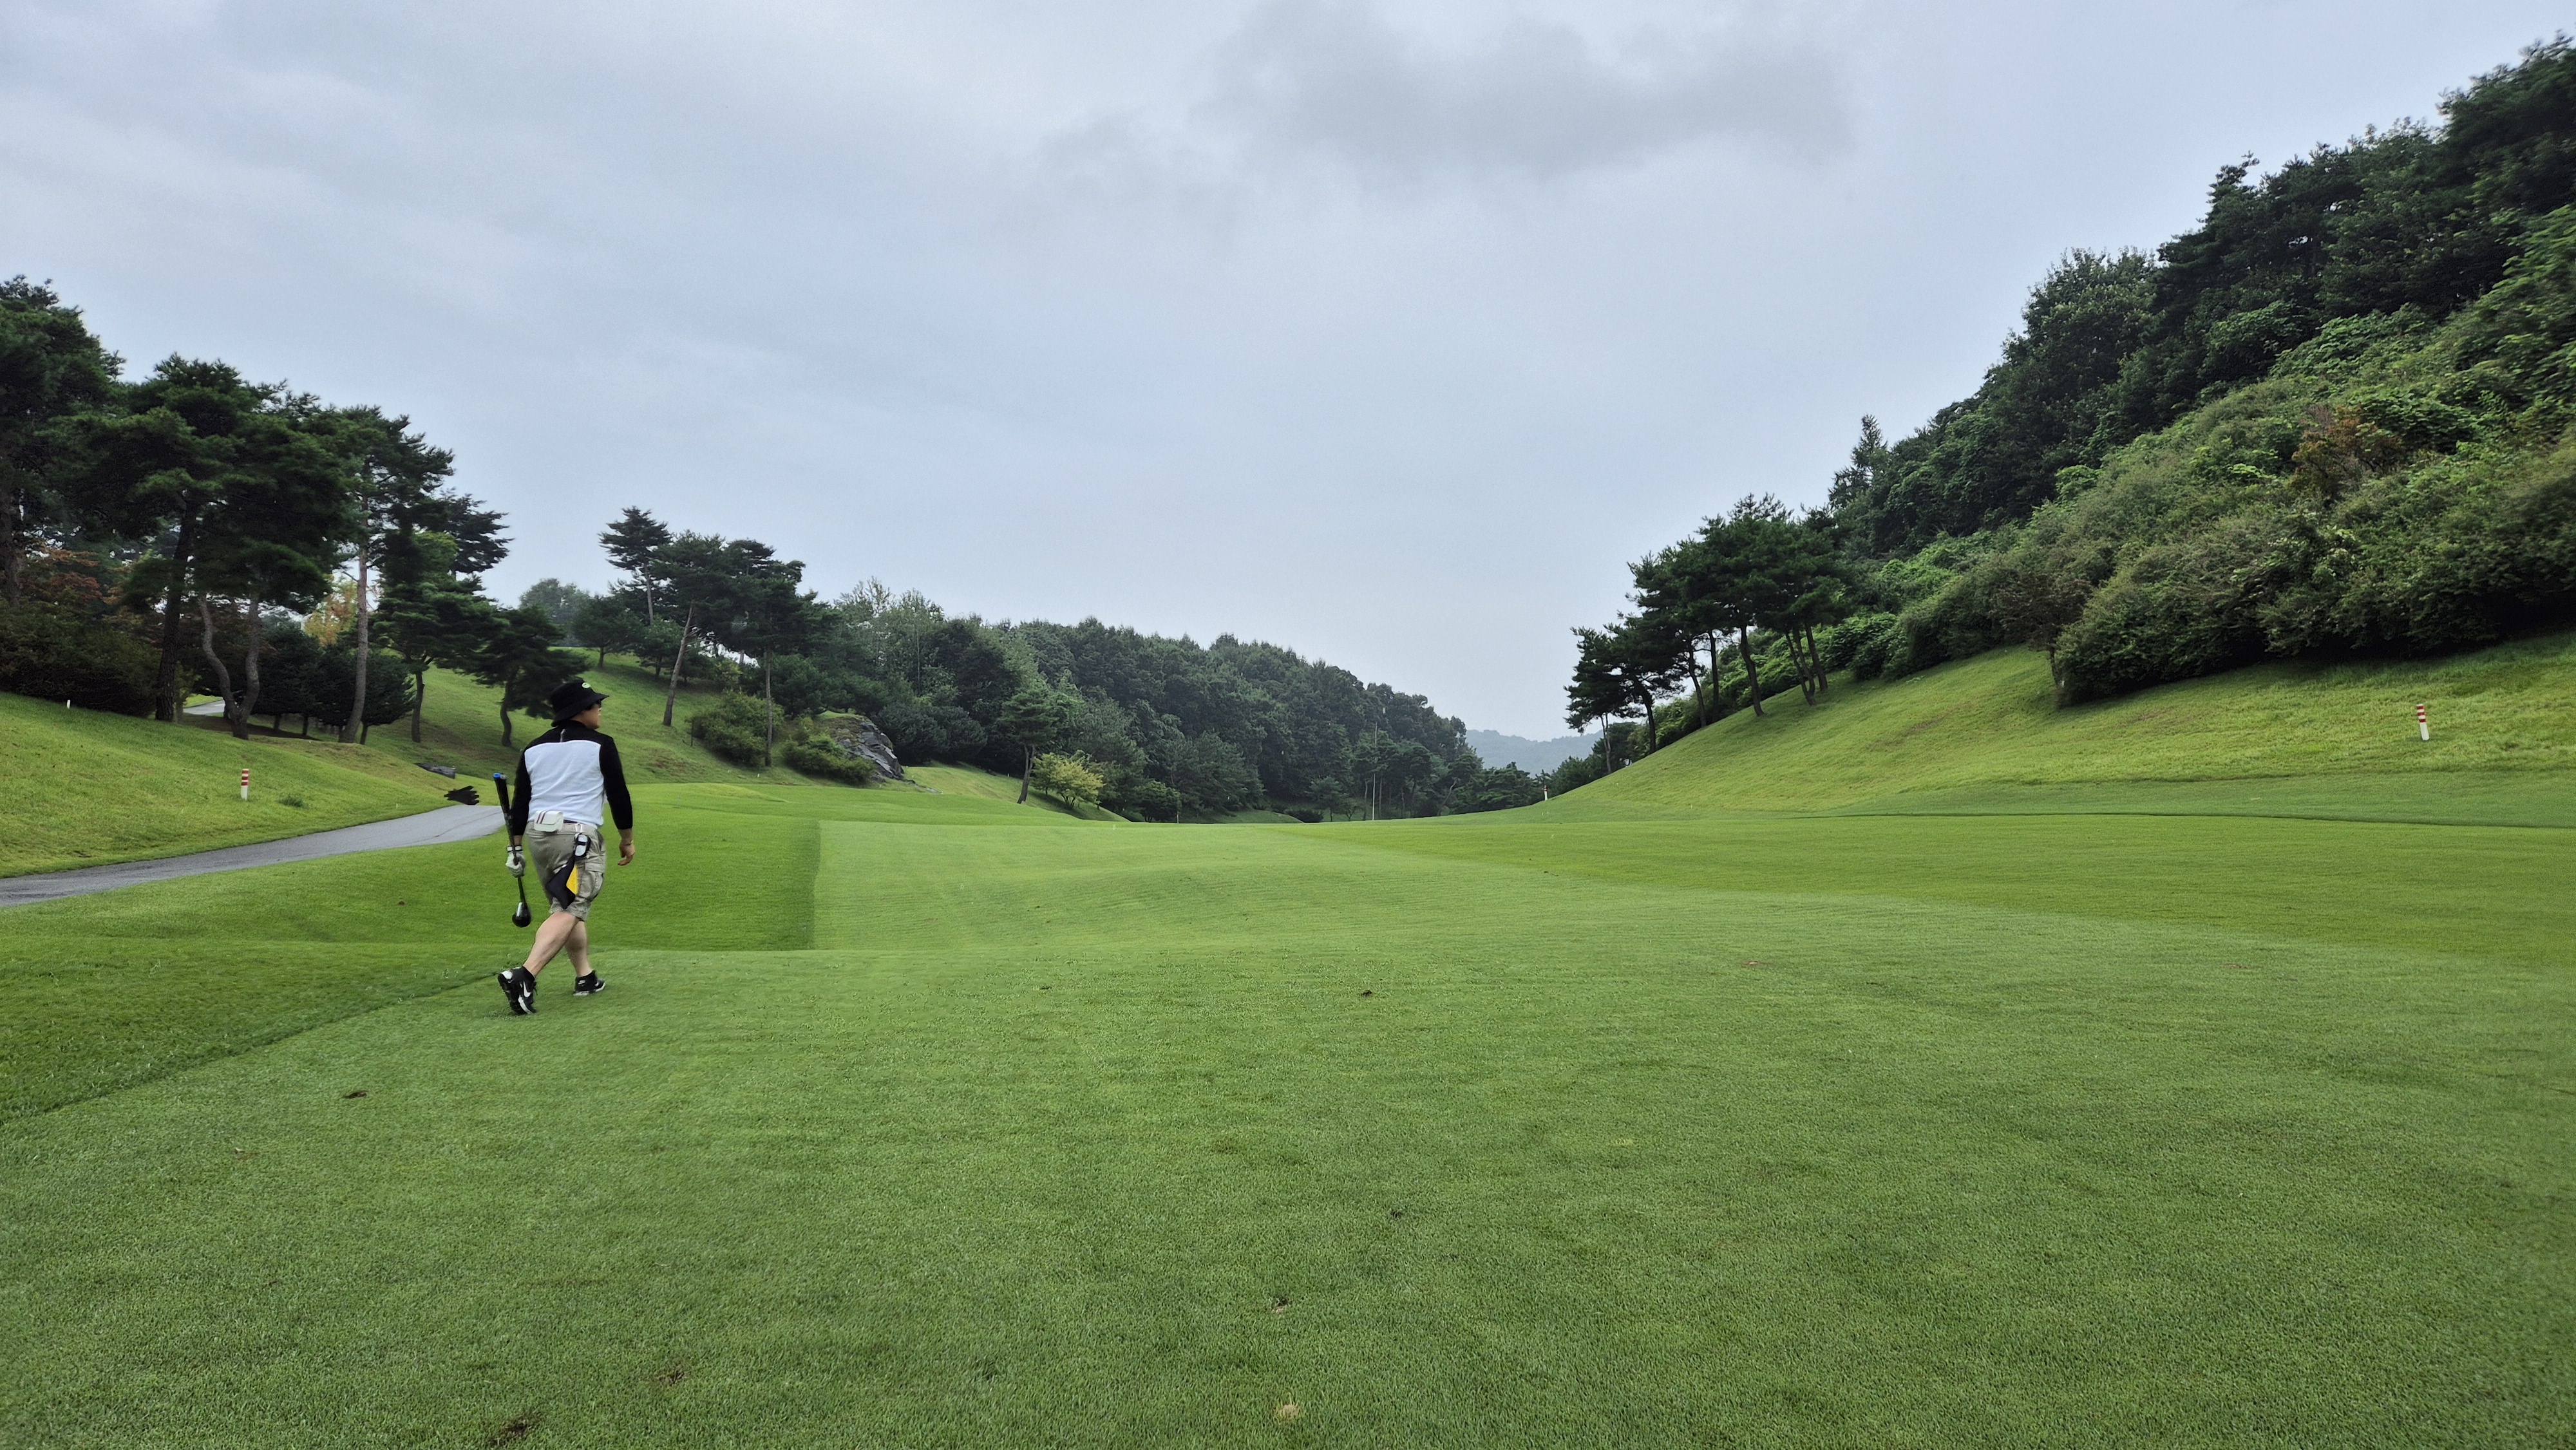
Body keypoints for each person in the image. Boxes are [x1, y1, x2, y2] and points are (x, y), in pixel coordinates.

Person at [496, 678, 634, 1013]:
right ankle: (525, 976)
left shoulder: (533, 748)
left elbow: (521, 802)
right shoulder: (601, 744)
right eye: (594, 704)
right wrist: (627, 840)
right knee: (570, 908)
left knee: (567, 907)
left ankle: (585, 976)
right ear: (580, 710)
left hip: (539, 838)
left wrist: (514, 849)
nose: (600, 708)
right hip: (578, 839)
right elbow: (618, 795)